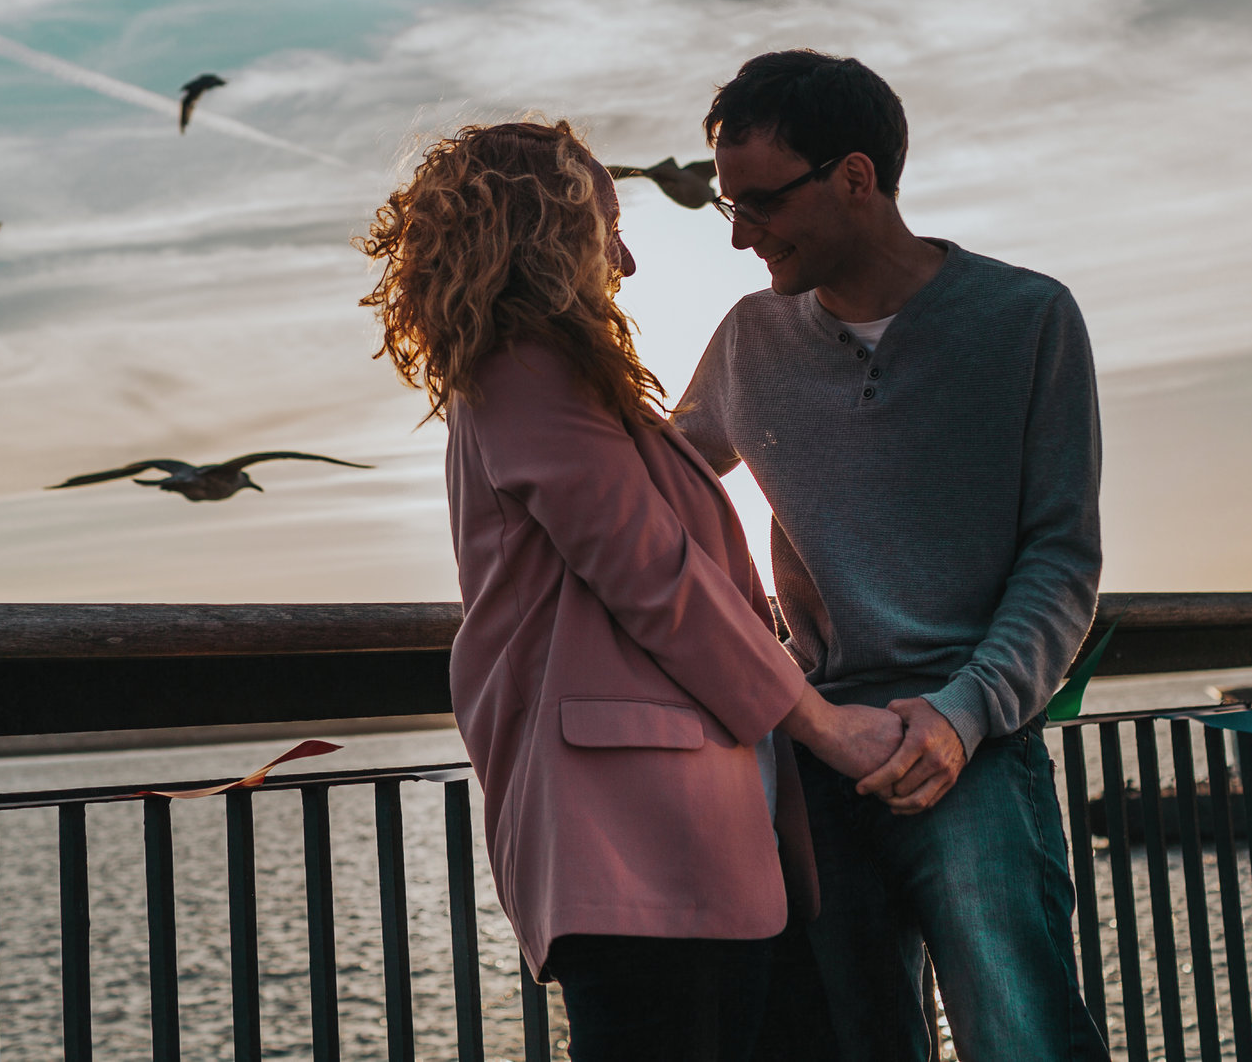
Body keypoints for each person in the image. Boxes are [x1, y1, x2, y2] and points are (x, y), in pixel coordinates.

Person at [360, 119, 908, 1062]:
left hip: (683, 827)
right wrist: (822, 721)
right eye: (606, 226)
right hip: (637, 833)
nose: (627, 258)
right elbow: (653, 575)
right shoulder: (523, 367)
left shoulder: (543, 377)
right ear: (546, 232)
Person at [675, 51, 1107, 1061]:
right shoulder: (748, 339)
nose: (740, 234)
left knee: (1021, 1039)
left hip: (973, 748)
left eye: (761, 202)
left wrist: (961, 716)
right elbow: (644, 485)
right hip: (814, 753)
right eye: (725, 208)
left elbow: (1060, 558)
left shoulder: (1026, 318)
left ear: (856, 178)